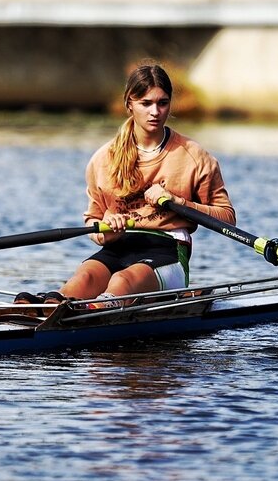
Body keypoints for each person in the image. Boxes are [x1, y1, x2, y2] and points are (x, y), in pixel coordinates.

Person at [16, 63, 235, 308]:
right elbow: (93, 221)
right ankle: (50, 307)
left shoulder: (194, 156)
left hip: (167, 249)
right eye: (146, 103)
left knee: (122, 281)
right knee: (83, 278)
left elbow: (226, 218)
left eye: (162, 103)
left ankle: (97, 309)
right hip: (119, 246)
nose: (155, 112)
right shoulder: (103, 158)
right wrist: (105, 231)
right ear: (129, 103)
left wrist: (177, 202)